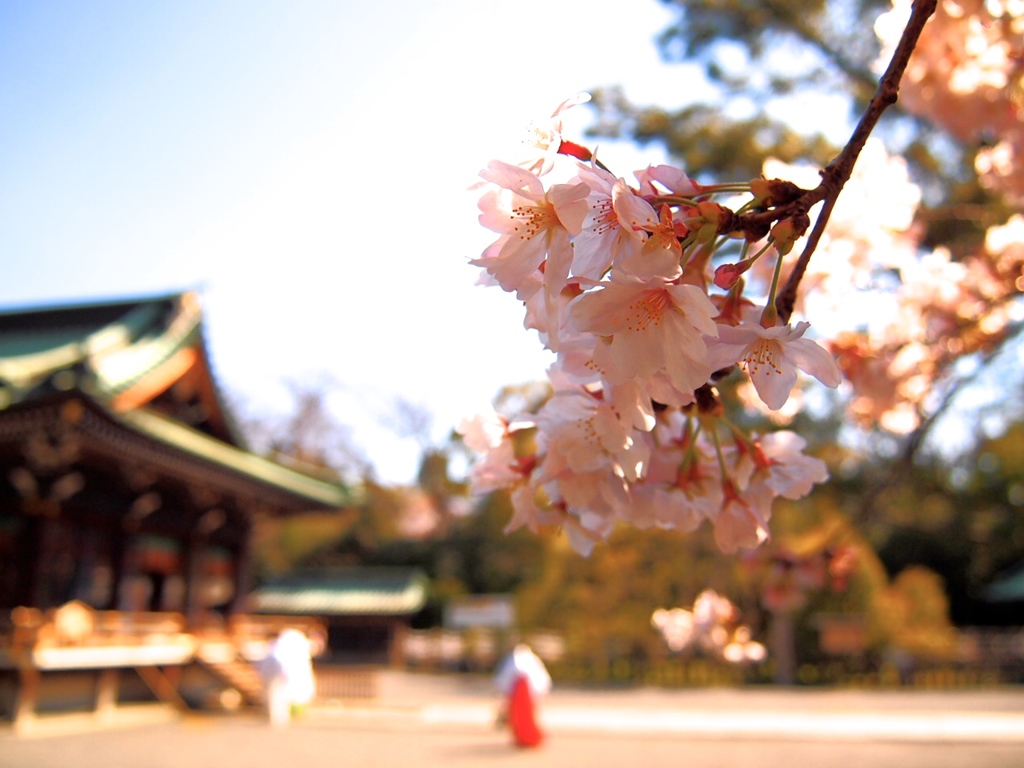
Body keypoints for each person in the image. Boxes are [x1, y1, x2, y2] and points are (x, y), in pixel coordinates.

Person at [492, 643, 551, 748]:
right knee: (527, 715)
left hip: (518, 692)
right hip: (526, 692)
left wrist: (503, 691)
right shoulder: (533, 661)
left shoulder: (511, 661)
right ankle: (525, 737)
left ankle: (523, 737)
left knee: (519, 716)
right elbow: (542, 678)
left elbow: (504, 677)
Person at [260, 628, 316, 728]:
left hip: (277, 675)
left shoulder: (276, 646)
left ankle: (278, 718)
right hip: (279, 675)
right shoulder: (280, 646)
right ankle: (278, 718)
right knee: (277, 697)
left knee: (277, 697)